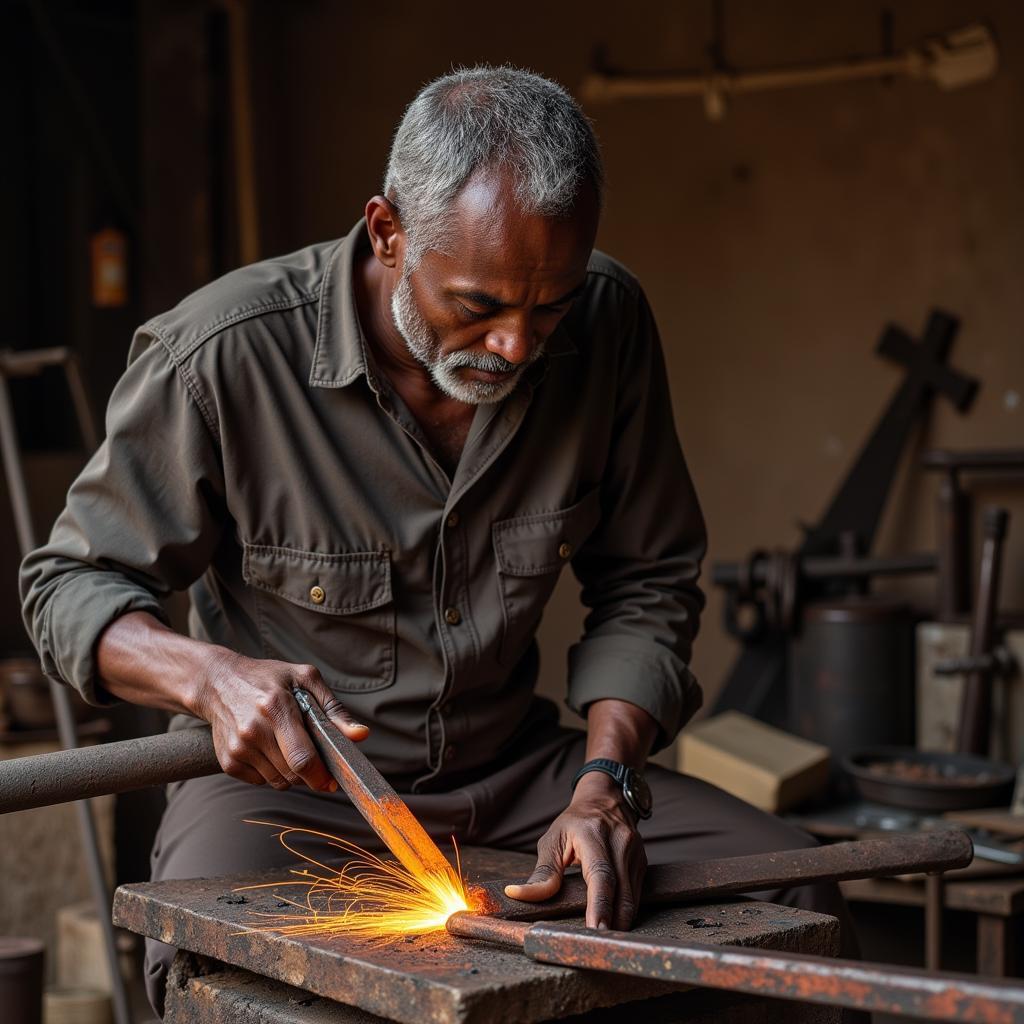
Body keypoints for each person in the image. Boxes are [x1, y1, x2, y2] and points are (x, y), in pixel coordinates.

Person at [21, 65, 857, 1017]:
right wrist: (211, 677)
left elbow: (649, 581)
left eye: (548, 309)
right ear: (388, 232)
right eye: (477, 306)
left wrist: (604, 782)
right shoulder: (222, 356)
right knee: (228, 972)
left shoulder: (610, 320)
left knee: (797, 894)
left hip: (522, 775)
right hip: (293, 794)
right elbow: (69, 585)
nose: (515, 345)